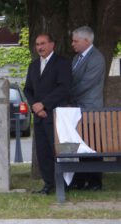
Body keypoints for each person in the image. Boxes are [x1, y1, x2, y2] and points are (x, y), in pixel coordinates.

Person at [24, 33, 72, 195]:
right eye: (37, 44)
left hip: (56, 116)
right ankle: (48, 185)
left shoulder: (62, 63)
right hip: (39, 117)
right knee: (43, 152)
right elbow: (27, 90)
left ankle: (64, 184)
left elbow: (64, 88)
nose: (40, 47)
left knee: (59, 151)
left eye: (43, 43)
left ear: (52, 44)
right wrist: (36, 107)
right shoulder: (33, 65)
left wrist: (44, 105)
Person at [69, 26, 105, 191]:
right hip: (78, 108)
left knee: (92, 144)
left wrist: (65, 94)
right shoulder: (77, 58)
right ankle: (81, 179)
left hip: (91, 109)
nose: (72, 44)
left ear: (87, 40)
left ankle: (95, 181)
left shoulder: (96, 58)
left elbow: (85, 84)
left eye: (76, 41)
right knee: (81, 144)